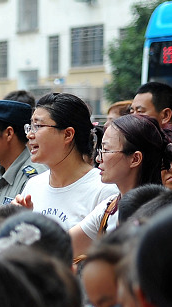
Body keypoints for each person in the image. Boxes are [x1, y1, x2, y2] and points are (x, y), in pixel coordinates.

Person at [70, 113, 172, 256]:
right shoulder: (108, 209)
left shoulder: (167, 216)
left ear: (135, 158)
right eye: (101, 150)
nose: (99, 158)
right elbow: (63, 245)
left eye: (106, 150)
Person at [18, 92, 116, 226]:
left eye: (38, 126)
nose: (30, 135)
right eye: (30, 127)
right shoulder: (33, 185)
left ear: (68, 134)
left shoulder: (104, 190)